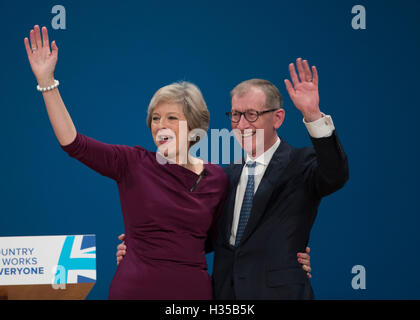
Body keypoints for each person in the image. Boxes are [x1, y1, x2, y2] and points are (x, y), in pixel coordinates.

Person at [23, 25, 310, 299]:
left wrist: (287, 256)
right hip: (134, 290)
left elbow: (229, 238)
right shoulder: (131, 162)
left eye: (172, 118)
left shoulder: (217, 178)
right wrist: (47, 82)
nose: (161, 125)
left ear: (194, 125)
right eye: (156, 118)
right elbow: (73, 143)